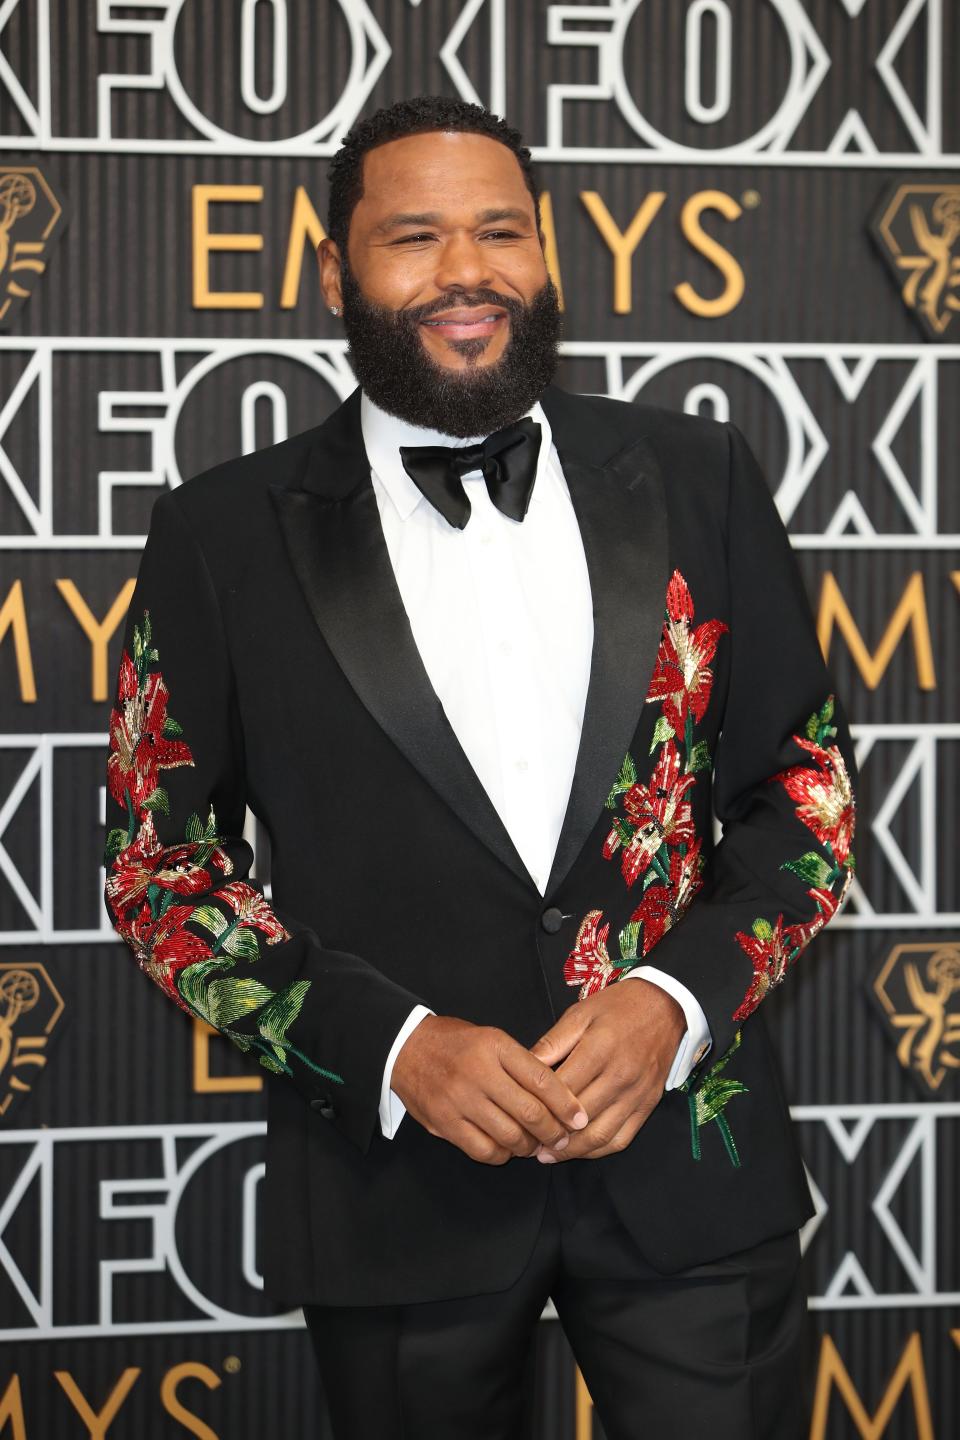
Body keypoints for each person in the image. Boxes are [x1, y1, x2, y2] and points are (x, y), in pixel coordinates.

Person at [104, 96, 856, 1439]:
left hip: (694, 1173)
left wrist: (675, 1006)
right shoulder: (219, 534)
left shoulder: (699, 476)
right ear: (334, 269)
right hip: (397, 1205)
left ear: (551, 252)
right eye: (415, 236)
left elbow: (803, 798)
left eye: (501, 230)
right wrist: (391, 1051)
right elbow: (160, 868)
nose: (467, 270)